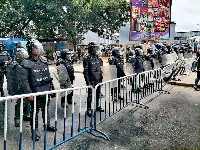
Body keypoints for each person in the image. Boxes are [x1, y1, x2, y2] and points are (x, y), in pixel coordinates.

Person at [25, 40, 55, 141]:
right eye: (36, 48)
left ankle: (47, 124)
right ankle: (34, 130)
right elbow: (24, 81)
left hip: (45, 90)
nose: (39, 49)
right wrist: (29, 94)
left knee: (46, 109)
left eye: (38, 47)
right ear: (31, 49)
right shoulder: (26, 63)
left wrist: (51, 87)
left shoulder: (44, 61)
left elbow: (48, 75)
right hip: (34, 92)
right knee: (34, 112)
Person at [6, 48, 31, 127]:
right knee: (20, 103)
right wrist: (10, 89)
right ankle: (17, 118)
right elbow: (9, 78)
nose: (23, 56)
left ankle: (26, 114)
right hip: (19, 86)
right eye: (22, 54)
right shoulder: (13, 64)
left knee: (28, 102)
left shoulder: (28, 63)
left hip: (27, 85)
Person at [83, 41, 104, 117]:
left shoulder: (97, 56)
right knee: (90, 95)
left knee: (98, 93)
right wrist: (88, 82)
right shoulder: (87, 57)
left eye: (97, 47)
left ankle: (97, 106)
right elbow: (85, 71)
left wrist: (101, 78)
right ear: (91, 48)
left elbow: (100, 68)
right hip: (91, 80)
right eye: (95, 47)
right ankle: (88, 109)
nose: (96, 49)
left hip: (98, 79)